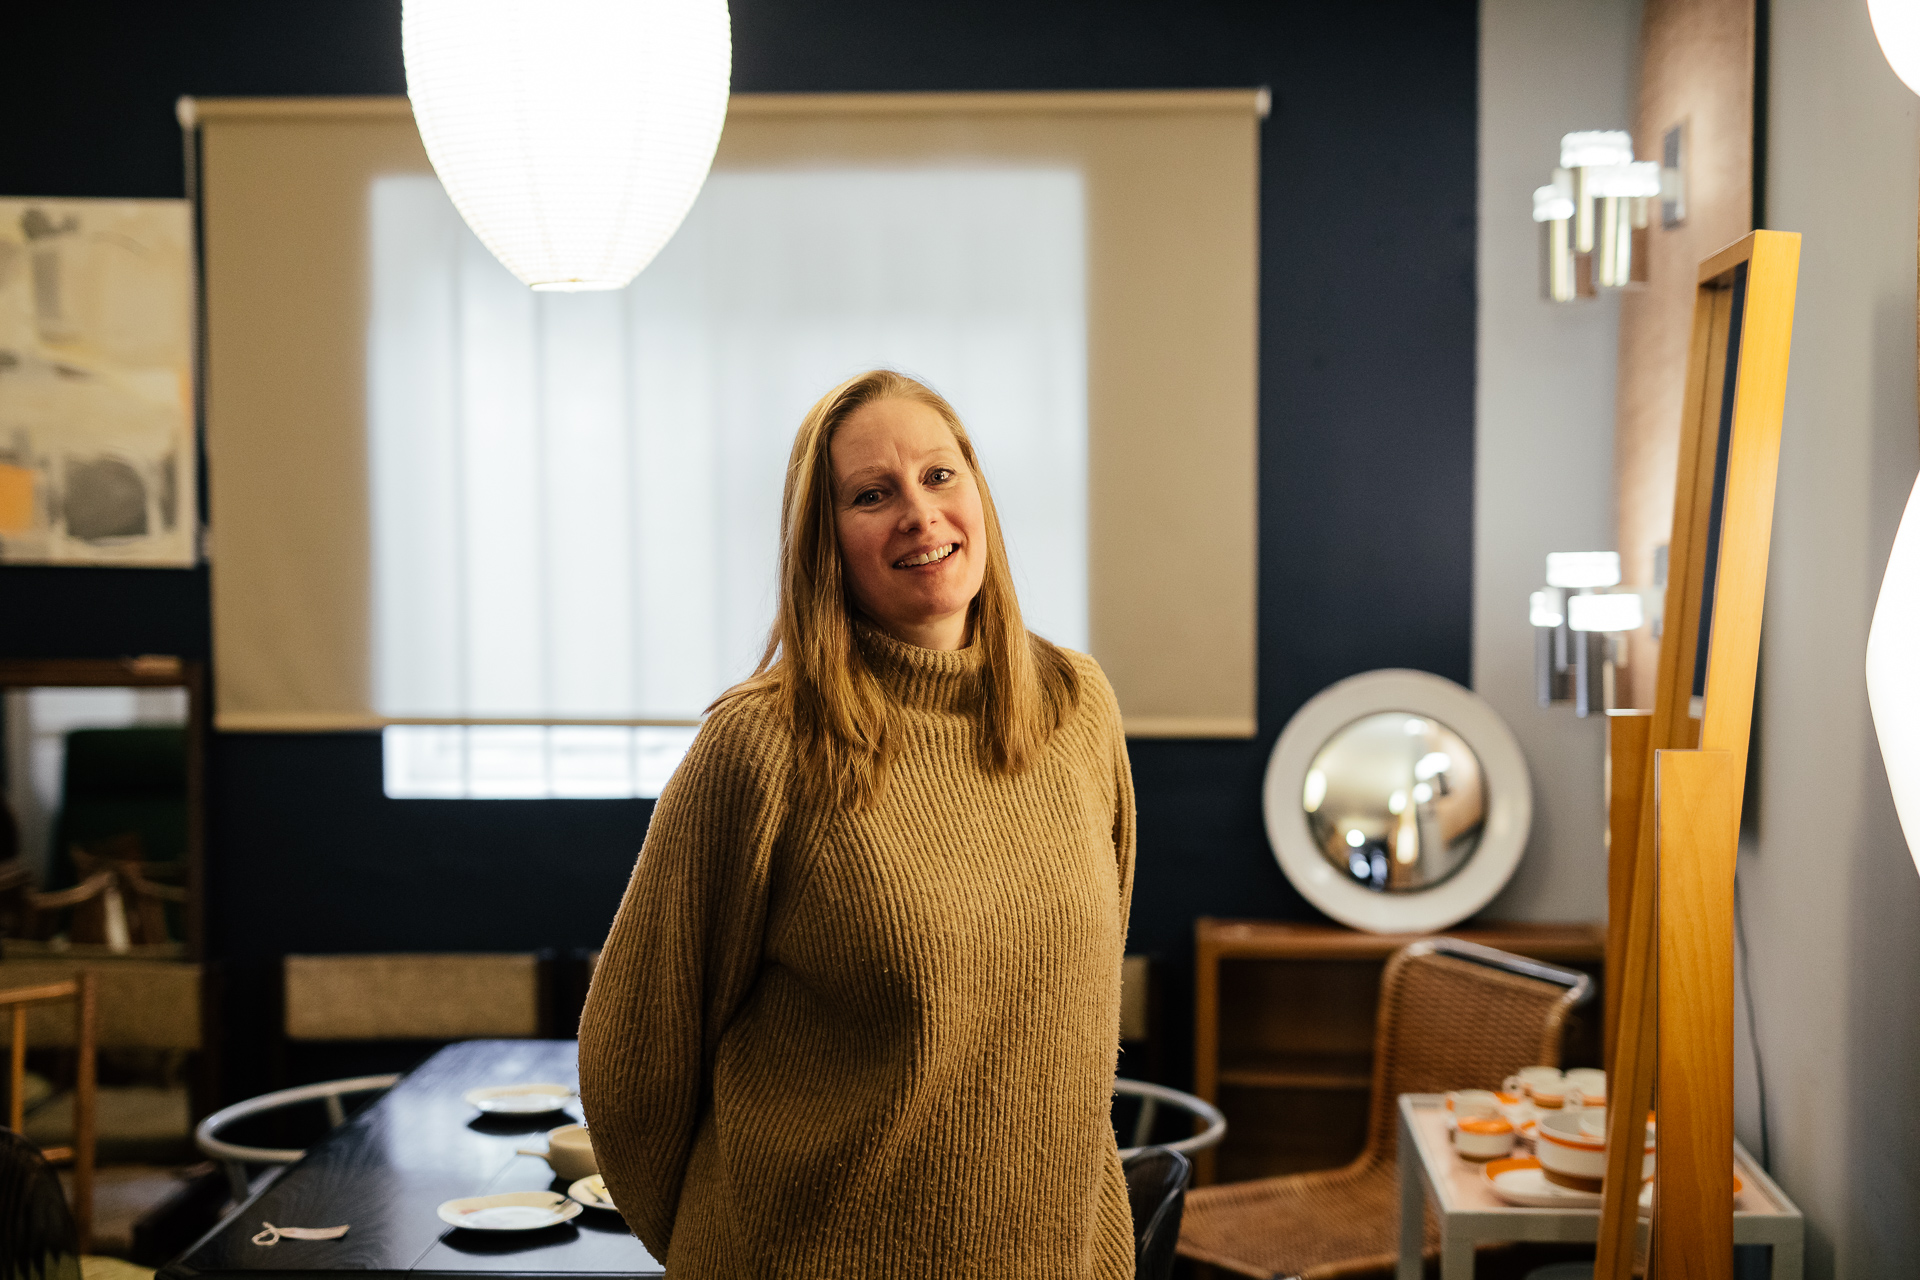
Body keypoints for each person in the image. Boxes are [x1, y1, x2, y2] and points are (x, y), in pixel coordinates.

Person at [578, 369, 1136, 1278]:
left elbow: (1079, 1017)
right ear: (825, 541)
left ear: (978, 492)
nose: (919, 513)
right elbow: (634, 1054)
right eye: (872, 495)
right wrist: (717, 1245)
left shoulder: (1077, 705)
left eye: (939, 475)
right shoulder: (763, 745)